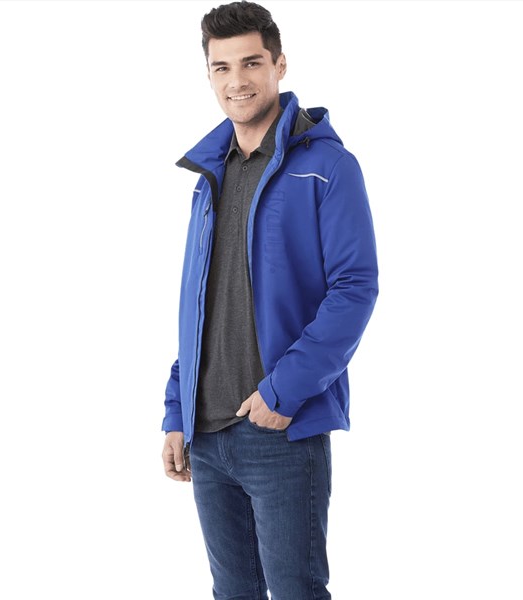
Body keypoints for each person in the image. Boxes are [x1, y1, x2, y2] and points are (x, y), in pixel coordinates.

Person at [161, 2, 378, 598]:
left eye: (252, 62)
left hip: (280, 429)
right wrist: (177, 411)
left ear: (280, 65)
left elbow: (355, 287)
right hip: (207, 437)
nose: (237, 80)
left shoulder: (328, 167)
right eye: (222, 67)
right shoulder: (209, 177)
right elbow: (198, 304)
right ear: (209, 75)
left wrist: (284, 392)